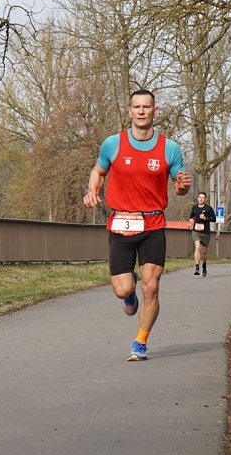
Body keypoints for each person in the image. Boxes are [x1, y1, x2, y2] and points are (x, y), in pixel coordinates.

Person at [83, 89, 192, 361]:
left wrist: (181, 188)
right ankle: (128, 294)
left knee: (151, 286)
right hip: (120, 223)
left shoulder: (170, 148)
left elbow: (179, 187)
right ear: (130, 111)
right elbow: (98, 171)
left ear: (155, 112)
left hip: (153, 224)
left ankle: (140, 342)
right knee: (124, 289)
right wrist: (92, 190)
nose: (142, 111)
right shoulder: (113, 144)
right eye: (137, 107)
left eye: (147, 107)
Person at [189, 192, 216, 277]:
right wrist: (191, 220)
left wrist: (206, 218)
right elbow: (191, 217)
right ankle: (197, 267)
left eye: (203, 197)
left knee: (204, 252)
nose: (201, 199)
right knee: (197, 247)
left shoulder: (208, 208)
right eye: (199, 197)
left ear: (205, 199)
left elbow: (214, 219)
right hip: (196, 231)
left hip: (205, 232)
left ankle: (204, 265)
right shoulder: (194, 208)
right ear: (197, 198)